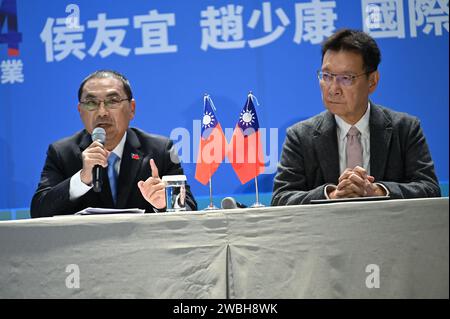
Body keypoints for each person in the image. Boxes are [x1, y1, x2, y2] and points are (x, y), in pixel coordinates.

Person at [271, 29, 441, 205]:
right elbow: (280, 199)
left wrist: (377, 191)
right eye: (327, 76)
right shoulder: (300, 137)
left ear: (372, 81)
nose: (333, 89)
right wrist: (332, 195)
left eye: (346, 78)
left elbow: (430, 189)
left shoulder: (405, 129)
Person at [31, 70, 197, 217]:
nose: (102, 112)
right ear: (80, 111)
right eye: (91, 103)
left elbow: (189, 209)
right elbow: (39, 211)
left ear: (132, 109)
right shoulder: (62, 152)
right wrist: (82, 179)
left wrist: (164, 203)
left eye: (112, 101)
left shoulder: (160, 150)